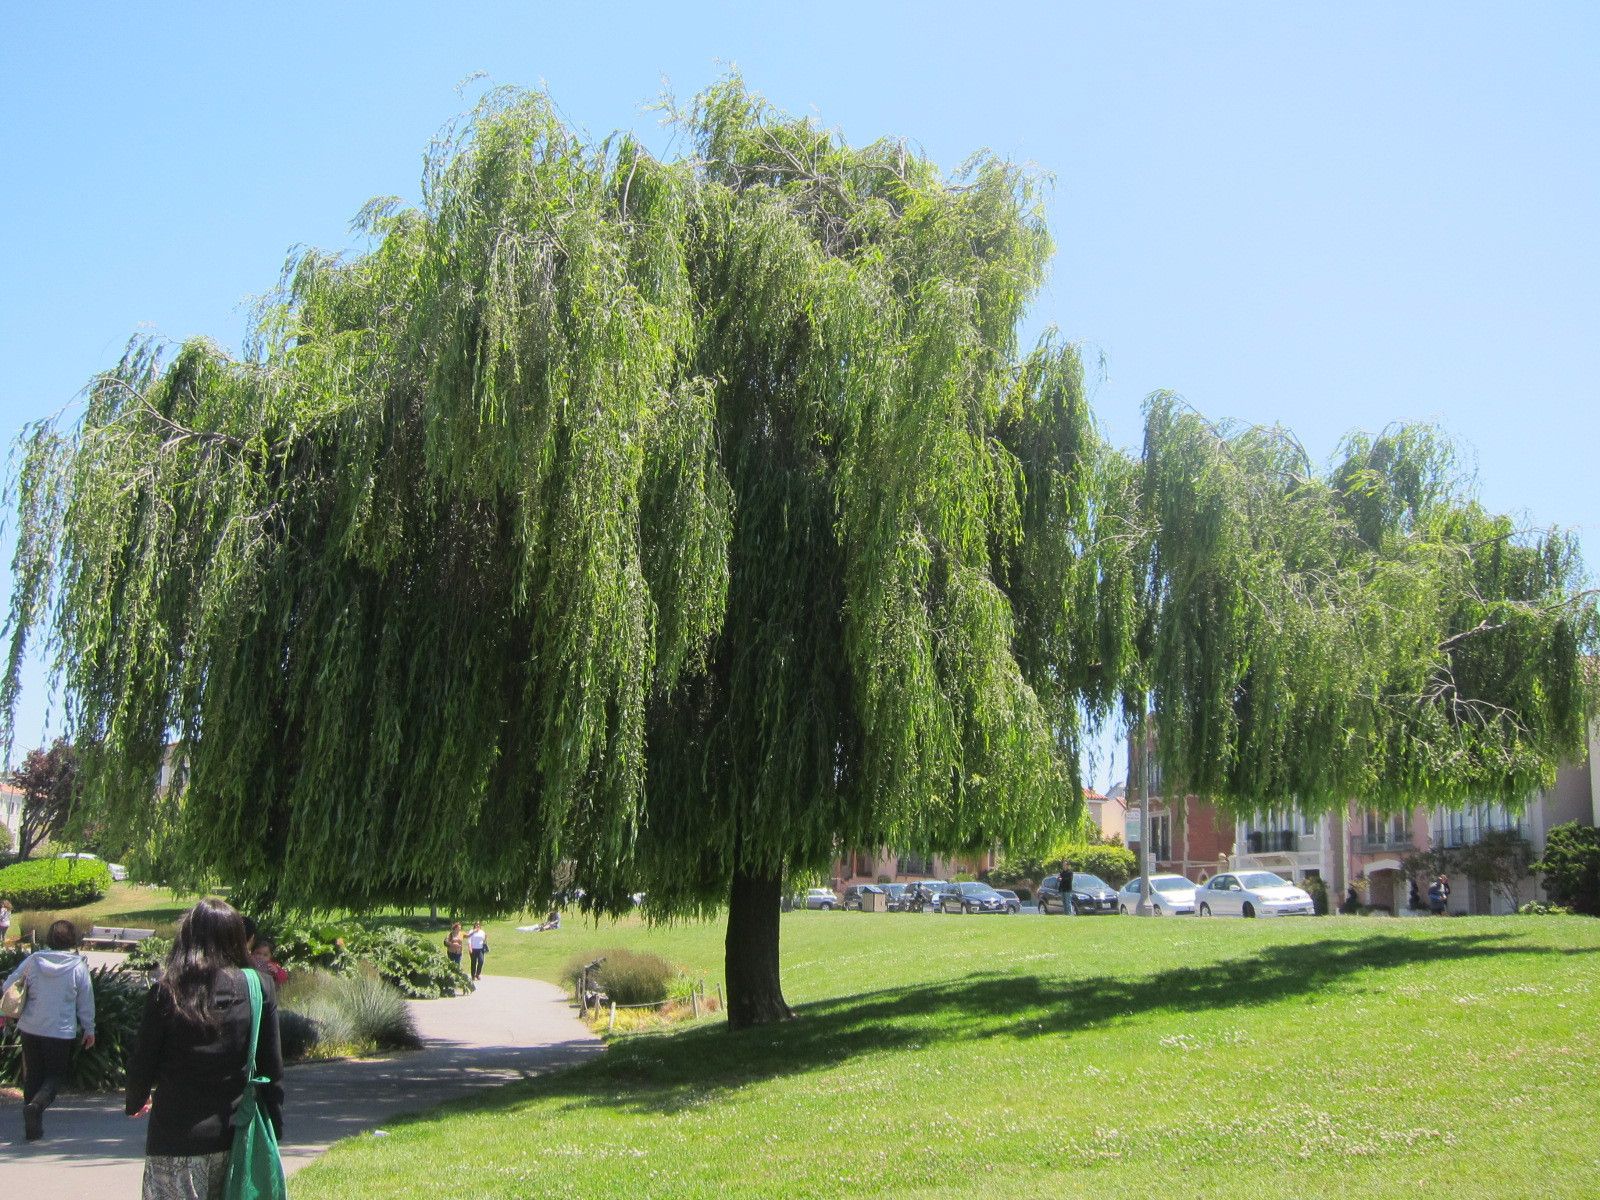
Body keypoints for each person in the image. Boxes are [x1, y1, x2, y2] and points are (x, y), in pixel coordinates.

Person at [125, 898, 284, 1200]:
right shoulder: (258, 987)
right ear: (238, 937)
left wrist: (135, 1100)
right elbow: (271, 1067)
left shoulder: (167, 990)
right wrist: (274, 1127)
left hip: (175, 1137)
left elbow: (143, 1059)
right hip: (236, 1134)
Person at [2, 918, 96, 1141]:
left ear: (50, 938)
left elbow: (8, 985)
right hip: (60, 1030)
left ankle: (32, 1127)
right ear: (72, 939)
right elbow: (86, 1000)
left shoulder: (34, 961)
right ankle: (36, 1105)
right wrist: (89, 1028)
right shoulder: (77, 966)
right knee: (55, 1075)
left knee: (33, 1074)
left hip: (31, 1026)